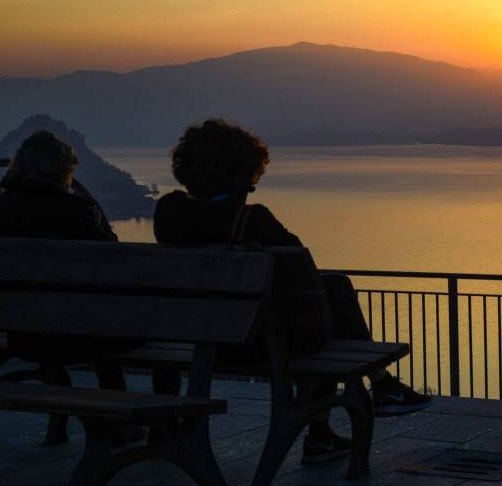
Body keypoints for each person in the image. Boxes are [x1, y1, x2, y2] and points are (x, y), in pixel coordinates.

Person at [153, 119, 431, 463]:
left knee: (329, 293)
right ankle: (369, 395)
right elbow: (305, 275)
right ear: (242, 172)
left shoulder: (168, 213)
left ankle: (359, 406)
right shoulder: (252, 220)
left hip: (198, 340)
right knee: (329, 300)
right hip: (256, 345)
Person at [0, 130, 142, 441]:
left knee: (67, 324)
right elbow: (113, 257)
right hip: (81, 335)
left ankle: (61, 423)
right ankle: (119, 422)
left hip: (24, 334)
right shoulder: (75, 211)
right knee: (107, 329)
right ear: (63, 170)